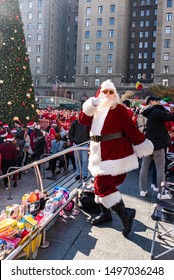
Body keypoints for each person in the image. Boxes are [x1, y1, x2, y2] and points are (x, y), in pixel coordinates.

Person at [79, 79, 153, 237]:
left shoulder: (119, 109)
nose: (107, 94)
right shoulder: (96, 109)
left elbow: (131, 129)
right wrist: (92, 103)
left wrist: (143, 145)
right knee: (100, 186)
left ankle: (126, 215)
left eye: (110, 91)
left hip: (114, 155)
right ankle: (106, 214)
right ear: (99, 93)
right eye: (104, 91)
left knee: (102, 187)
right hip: (98, 153)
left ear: (115, 94)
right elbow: (82, 120)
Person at [139, 95, 174, 199]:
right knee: (160, 169)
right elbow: (170, 117)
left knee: (144, 168)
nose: (158, 102)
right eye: (157, 101)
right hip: (157, 145)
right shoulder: (155, 111)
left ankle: (142, 190)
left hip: (146, 144)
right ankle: (160, 191)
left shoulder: (141, 112)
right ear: (151, 102)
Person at [68, 116, 90, 181]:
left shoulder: (87, 124)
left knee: (85, 159)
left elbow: (90, 132)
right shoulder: (74, 123)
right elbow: (70, 133)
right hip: (76, 144)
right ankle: (78, 173)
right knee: (77, 159)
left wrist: (88, 139)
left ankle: (84, 174)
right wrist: (73, 140)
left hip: (84, 143)